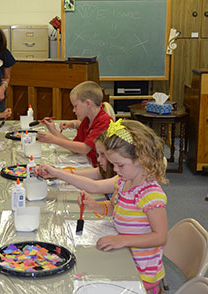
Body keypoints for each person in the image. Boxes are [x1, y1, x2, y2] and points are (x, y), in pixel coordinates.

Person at [78, 119, 168, 294]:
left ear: (142, 159)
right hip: (124, 257)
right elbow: (114, 207)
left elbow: (160, 237)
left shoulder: (151, 195)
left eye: (120, 165)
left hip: (141, 274)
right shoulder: (123, 181)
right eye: (113, 165)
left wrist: (123, 240)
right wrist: (96, 206)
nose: (116, 170)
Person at [37, 81, 112, 167]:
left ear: (88, 103)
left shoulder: (104, 122)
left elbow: (84, 148)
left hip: (101, 171)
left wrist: (53, 140)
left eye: (75, 106)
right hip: (91, 165)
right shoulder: (87, 120)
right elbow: (75, 148)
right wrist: (53, 130)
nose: (73, 110)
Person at [38, 131, 117, 199]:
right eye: (98, 155)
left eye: (102, 154)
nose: (98, 160)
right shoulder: (104, 170)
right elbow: (77, 174)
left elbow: (94, 187)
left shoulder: (121, 178)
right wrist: (54, 173)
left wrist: (56, 173)